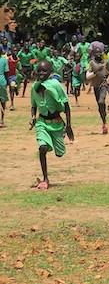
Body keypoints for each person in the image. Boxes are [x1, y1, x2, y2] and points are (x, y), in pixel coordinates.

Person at [28, 60, 74, 190]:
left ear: (50, 72)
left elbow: (66, 105)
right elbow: (33, 105)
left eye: (44, 71)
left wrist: (68, 125)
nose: (41, 73)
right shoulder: (34, 87)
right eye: (39, 71)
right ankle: (45, 178)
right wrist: (33, 117)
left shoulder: (56, 85)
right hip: (42, 122)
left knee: (60, 153)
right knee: (42, 148)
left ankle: (55, 140)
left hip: (57, 123)